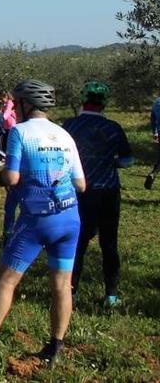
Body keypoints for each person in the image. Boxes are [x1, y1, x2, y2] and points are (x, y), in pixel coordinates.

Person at [0, 80, 86, 368]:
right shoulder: (64, 135)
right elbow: (81, 184)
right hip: (69, 218)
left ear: (25, 105)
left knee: (6, 279)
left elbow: (12, 178)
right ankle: (55, 348)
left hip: (36, 219)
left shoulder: (20, 132)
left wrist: (5, 178)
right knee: (62, 284)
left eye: (16, 104)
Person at [62, 80, 132, 306]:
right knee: (109, 243)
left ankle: (70, 291)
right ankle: (111, 295)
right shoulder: (113, 128)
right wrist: (110, 163)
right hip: (108, 192)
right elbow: (128, 160)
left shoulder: (70, 126)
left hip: (79, 192)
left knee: (78, 242)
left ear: (83, 101)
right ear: (104, 104)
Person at [145, 93, 160, 190]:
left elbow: (153, 119)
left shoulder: (156, 102)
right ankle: (153, 173)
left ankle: (153, 173)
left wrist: (155, 132)